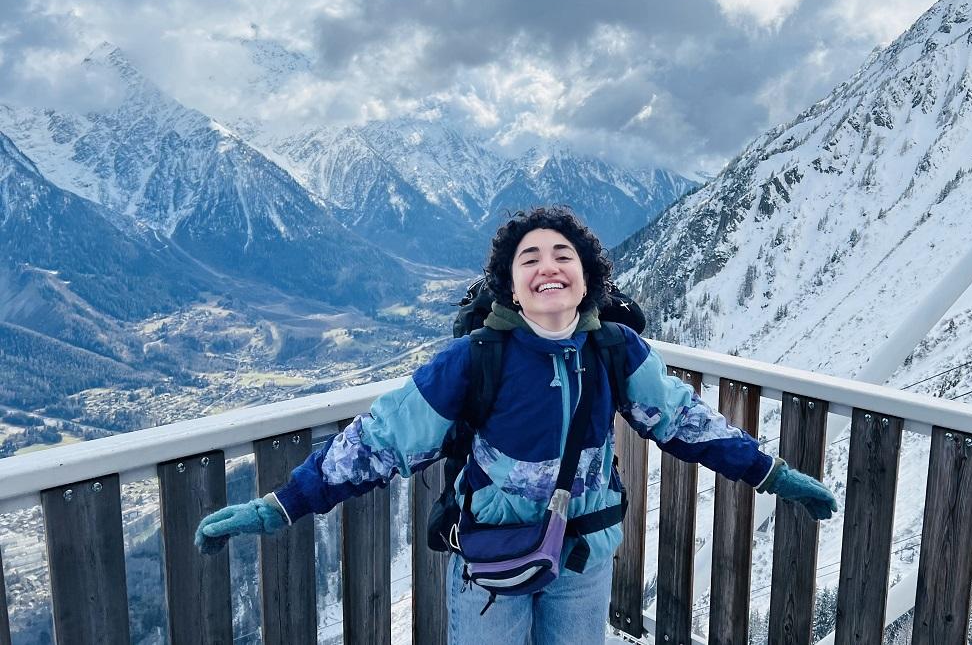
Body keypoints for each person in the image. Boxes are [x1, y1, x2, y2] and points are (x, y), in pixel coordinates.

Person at [195, 206, 838, 644]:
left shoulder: (616, 352)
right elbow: (379, 440)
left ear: (587, 277)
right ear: (511, 283)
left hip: (583, 555)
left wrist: (773, 476)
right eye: (529, 258)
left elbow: (685, 422)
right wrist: (280, 505)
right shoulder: (475, 360)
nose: (547, 265)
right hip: (490, 560)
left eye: (563, 254)